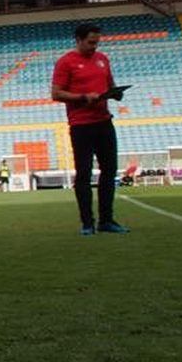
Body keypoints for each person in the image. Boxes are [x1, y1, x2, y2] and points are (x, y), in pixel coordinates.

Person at [51, 23, 130, 235]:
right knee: (84, 174)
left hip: (104, 121)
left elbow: (110, 85)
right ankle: (87, 223)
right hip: (81, 125)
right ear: (78, 40)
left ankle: (107, 220)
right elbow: (56, 94)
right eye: (90, 42)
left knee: (110, 171)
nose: (94, 46)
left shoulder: (103, 59)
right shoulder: (65, 62)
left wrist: (115, 93)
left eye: (97, 42)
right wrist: (83, 98)